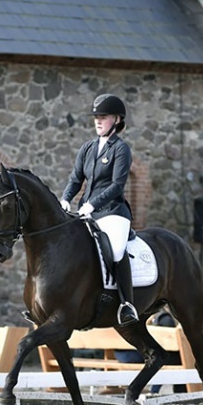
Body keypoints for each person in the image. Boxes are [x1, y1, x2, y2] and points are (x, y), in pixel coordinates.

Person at [59, 93, 138, 326]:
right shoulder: (88, 148)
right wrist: (65, 199)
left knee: (114, 251)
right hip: (87, 211)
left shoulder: (121, 150)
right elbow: (76, 178)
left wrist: (92, 204)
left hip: (113, 212)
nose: (98, 121)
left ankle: (127, 304)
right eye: (96, 117)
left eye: (103, 117)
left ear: (116, 119)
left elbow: (117, 186)